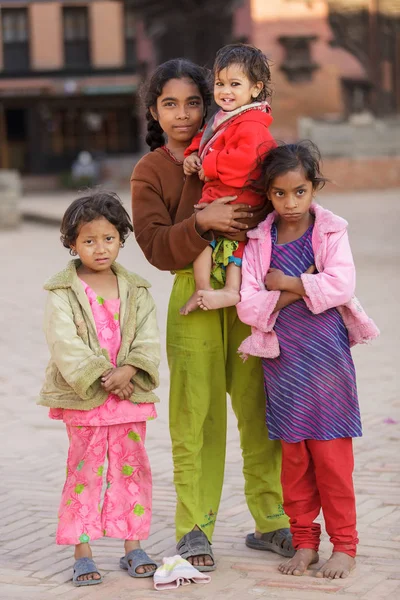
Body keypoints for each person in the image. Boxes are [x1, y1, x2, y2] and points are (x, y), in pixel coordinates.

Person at [131, 58, 293, 573]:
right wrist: (202, 221)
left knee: (260, 409)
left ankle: (272, 520)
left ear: (213, 100)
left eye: (193, 102)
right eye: (170, 104)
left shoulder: (241, 140)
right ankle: (194, 527)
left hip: (247, 291)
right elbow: (155, 246)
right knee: (195, 418)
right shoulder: (152, 170)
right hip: (193, 296)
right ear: (154, 111)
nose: (183, 114)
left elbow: (277, 205)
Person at [237, 142, 379, 579]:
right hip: (284, 367)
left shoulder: (331, 230)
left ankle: (346, 545)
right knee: (295, 463)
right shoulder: (261, 238)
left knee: (333, 461)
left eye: (299, 192)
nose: (290, 202)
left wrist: (288, 283)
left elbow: (340, 285)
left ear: (313, 187)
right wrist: (289, 290)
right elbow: (248, 304)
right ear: (268, 194)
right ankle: (303, 543)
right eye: (280, 194)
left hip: (327, 363)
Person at [38, 192, 161, 586]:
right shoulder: (62, 292)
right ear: (72, 244)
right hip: (86, 397)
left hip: (128, 398)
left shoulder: (137, 290)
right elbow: (63, 342)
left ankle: (133, 545)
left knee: (132, 470)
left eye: (108, 238)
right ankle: (83, 551)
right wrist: (103, 376)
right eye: (88, 241)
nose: (100, 248)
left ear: (121, 238)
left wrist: (130, 370)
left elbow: (148, 337)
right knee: (84, 473)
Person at [180, 43, 276, 315]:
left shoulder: (252, 124)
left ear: (255, 88)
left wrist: (209, 166)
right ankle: (203, 289)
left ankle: (232, 290)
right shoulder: (224, 118)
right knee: (202, 240)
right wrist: (191, 156)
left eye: (235, 84)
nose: (225, 91)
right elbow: (204, 140)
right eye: (220, 83)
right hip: (216, 197)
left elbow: (245, 161)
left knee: (236, 244)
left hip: (239, 199)